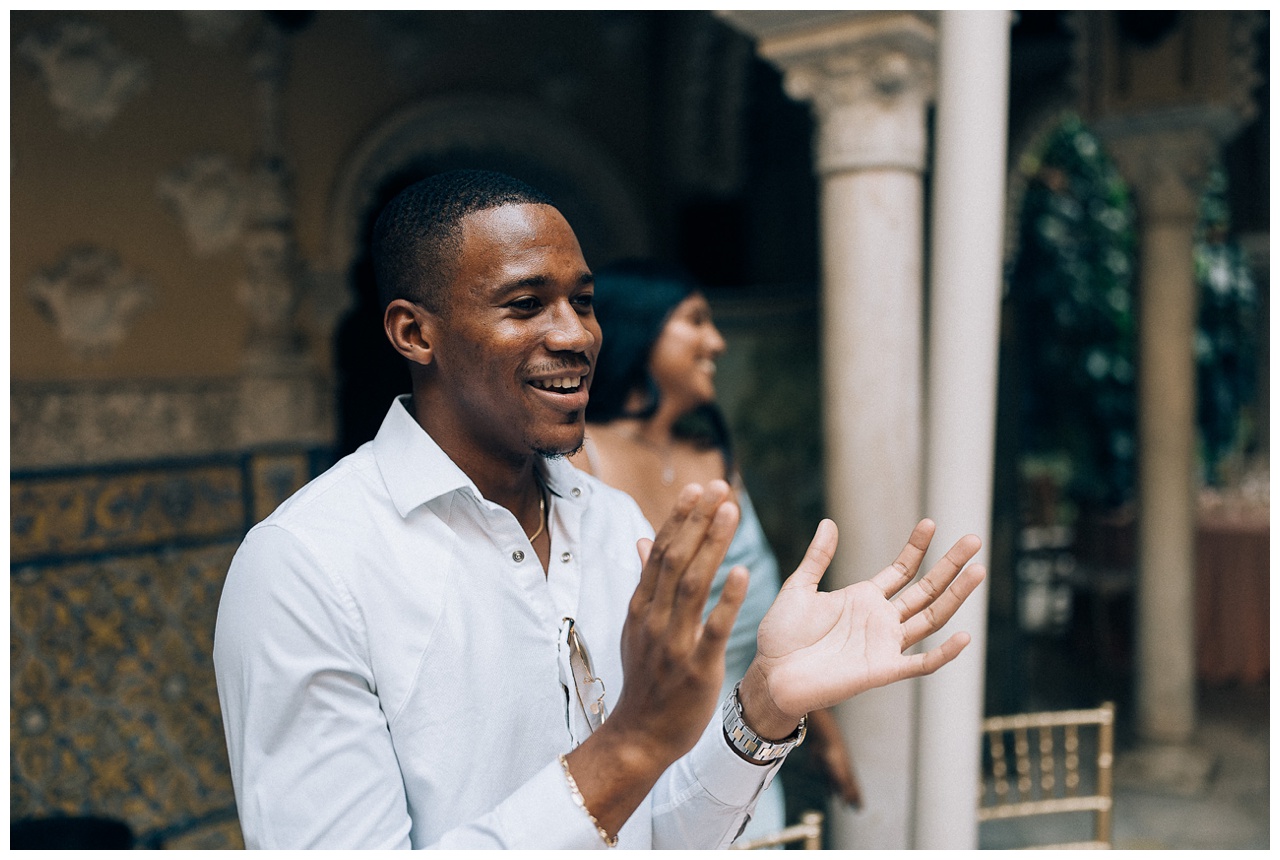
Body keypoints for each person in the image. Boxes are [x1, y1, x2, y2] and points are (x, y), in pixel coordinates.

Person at [213, 169, 986, 849]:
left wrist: (762, 707)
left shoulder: (613, 523)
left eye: (583, 302)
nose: (576, 334)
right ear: (415, 332)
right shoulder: (307, 567)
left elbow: (659, 835)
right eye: (526, 304)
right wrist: (631, 744)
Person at [568, 262, 862, 840]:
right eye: (696, 322)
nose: (717, 342)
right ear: (641, 330)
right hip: (640, 766)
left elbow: (767, 624)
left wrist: (822, 735)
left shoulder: (716, 462)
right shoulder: (582, 460)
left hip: (747, 755)